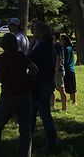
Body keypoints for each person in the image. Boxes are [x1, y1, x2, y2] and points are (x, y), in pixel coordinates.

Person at [0, 33, 38, 157]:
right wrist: (26, 76)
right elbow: (35, 70)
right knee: (25, 129)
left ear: (2, 44)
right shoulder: (21, 56)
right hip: (25, 95)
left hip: (8, 96)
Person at [28, 22, 57, 151]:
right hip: (44, 82)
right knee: (33, 112)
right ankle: (27, 139)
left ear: (42, 33)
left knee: (44, 114)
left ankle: (51, 142)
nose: (33, 30)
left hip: (42, 83)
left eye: (35, 29)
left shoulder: (42, 46)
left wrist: (30, 46)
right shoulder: (46, 45)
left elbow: (28, 58)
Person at [51, 31, 67, 111]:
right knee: (51, 89)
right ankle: (52, 107)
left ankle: (64, 108)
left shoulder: (57, 44)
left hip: (58, 70)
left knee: (61, 89)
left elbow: (59, 58)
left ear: (54, 36)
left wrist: (56, 69)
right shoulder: (54, 44)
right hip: (54, 70)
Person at [60, 34, 77, 105]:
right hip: (70, 69)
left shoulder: (66, 49)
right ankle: (71, 99)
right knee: (70, 85)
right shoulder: (69, 48)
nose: (60, 41)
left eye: (61, 40)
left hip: (68, 69)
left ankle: (74, 101)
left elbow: (65, 60)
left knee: (71, 87)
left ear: (64, 41)